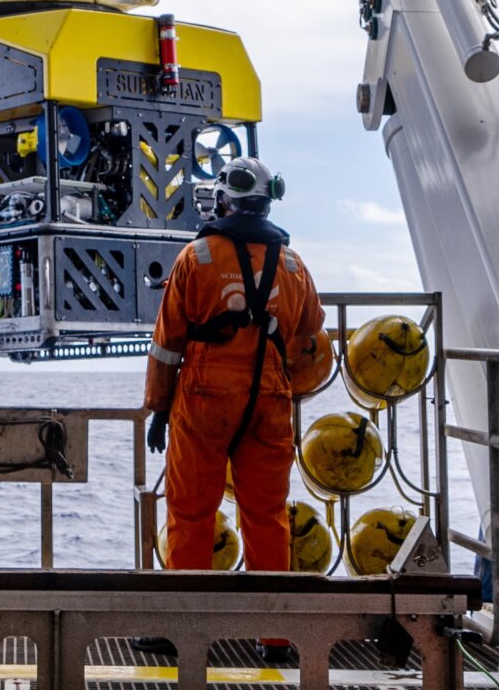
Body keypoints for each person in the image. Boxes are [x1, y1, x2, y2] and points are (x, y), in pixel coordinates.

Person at [143, 157, 324, 665]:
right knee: (267, 516)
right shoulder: (294, 266)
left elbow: (167, 344)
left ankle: (183, 630)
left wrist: (159, 407)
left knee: (191, 512)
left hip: (203, 402)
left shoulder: (196, 257)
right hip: (269, 401)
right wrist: (290, 390)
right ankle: (275, 638)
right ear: (269, 202)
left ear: (224, 198)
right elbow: (310, 338)